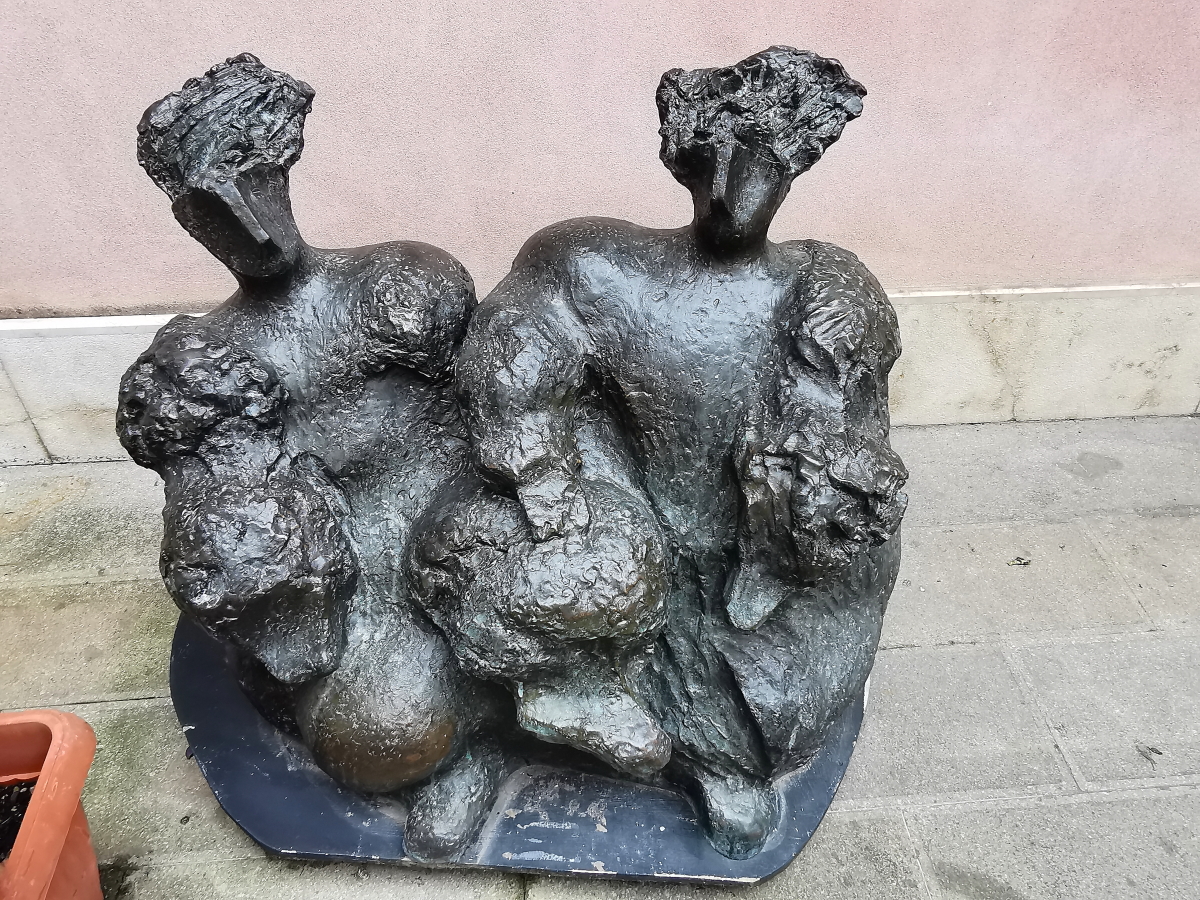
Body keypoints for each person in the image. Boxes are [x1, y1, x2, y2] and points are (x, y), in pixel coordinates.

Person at [414, 47, 908, 857]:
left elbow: (844, 450)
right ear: (685, 161)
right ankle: (502, 735)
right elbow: (511, 363)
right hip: (608, 521)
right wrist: (545, 480)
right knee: (518, 580)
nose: (737, 195)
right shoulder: (588, 262)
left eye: (767, 169)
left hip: (743, 565)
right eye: (720, 165)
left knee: (763, 708)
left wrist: (802, 518)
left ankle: (712, 757)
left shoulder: (827, 290)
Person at [117, 54, 503, 860]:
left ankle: (524, 720)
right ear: (189, 221)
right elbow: (229, 531)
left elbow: (496, 412)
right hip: (348, 569)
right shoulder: (205, 362)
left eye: (254, 184)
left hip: (464, 521)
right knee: (378, 736)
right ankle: (467, 748)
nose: (251, 228)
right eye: (209, 210)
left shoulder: (404, 285)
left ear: (284, 166)